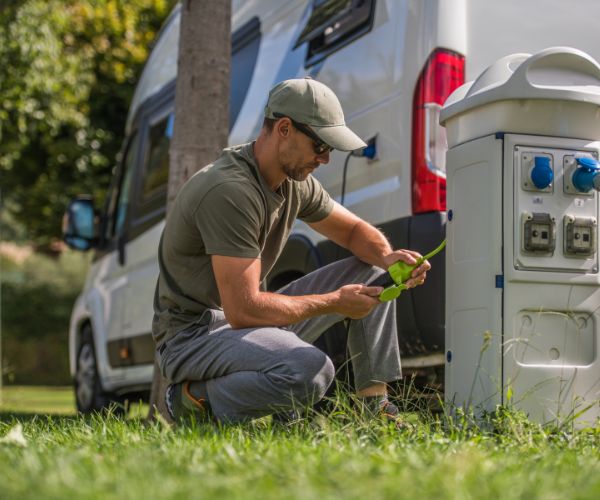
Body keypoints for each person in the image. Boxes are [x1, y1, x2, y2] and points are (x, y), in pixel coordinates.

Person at [152, 77, 430, 424]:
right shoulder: (230, 191)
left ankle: (375, 415)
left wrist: (388, 257)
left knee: (373, 270)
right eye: (320, 145)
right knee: (311, 371)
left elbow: (355, 231)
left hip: (242, 327)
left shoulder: (294, 183)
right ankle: (189, 401)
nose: (326, 159)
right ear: (284, 128)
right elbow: (243, 309)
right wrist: (336, 302)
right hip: (193, 337)